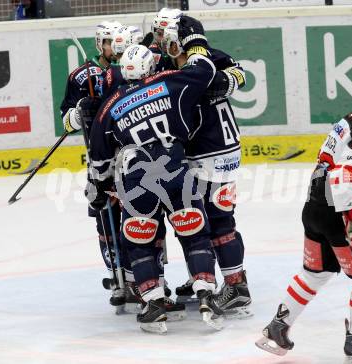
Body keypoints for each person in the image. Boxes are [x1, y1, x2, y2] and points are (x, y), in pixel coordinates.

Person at [256, 76, 352, 364]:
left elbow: (344, 174)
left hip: (315, 208)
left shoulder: (348, 122)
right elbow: (345, 176)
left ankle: (278, 326)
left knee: (316, 274)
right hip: (339, 213)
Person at [87, 16, 224, 334]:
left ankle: (153, 305)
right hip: (177, 170)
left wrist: (102, 184)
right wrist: (194, 42)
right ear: (150, 69)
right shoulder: (170, 82)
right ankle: (206, 295)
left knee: (140, 241)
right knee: (195, 234)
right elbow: (205, 71)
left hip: (137, 182)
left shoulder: (111, 105)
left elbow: (99, 157)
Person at [161, 20, 252, 318]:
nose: (162, 42)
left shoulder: (198, 66)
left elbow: (237, 77)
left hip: (208, 154)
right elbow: (238, 75)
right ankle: (204, 276)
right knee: (204, 220)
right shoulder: (212, 58)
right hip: (222, 150)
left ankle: (236, 287)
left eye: (166, 36)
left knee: (214, 221)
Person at [60, 20, 134, 311]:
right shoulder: (82, 76)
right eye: (110, 43)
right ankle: (116, 277)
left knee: (141, 218)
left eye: (120, 43)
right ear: (100, 43)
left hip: (134, 155)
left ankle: (146, 276)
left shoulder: (135, 67)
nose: (116, 49)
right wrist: (79, 114)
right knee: (106, 219)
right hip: (101, 159)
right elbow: (65, 118)